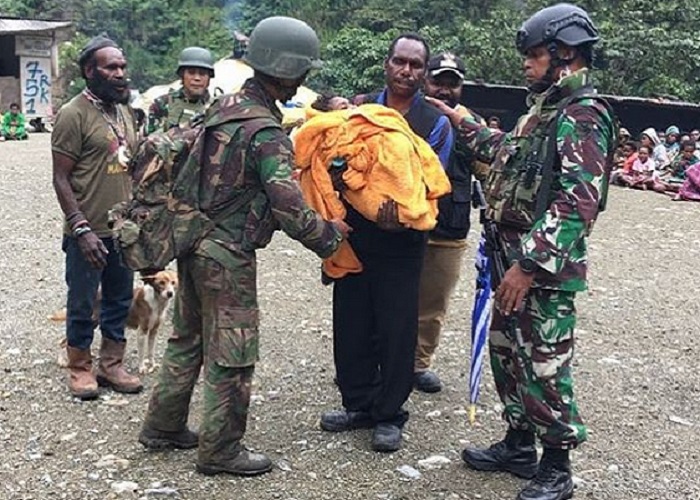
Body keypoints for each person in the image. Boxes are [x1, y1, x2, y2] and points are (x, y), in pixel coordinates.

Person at [137, 16, 350, 477]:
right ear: (288, 69)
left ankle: (162, 425)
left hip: (191, 244)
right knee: (233, 351)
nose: (306, 78)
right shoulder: (266, 133)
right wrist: (331, 235)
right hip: (227, 255)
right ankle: (220, 450)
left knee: (186, 338)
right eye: (304, 70)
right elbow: (291, 209)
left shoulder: (223, 107)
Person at [428, 4, 615, 499]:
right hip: (509, 262)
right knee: (508, 355)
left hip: (540, 273)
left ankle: (556, 466)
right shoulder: (542, 111)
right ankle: (518, 443)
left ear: (565, 54)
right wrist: (460, 120)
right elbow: (505, 152)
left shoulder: (583, 114)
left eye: (534, 55)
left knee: (545, 364)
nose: (526, 64)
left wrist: (529, 265)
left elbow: (579, 200)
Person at [320, 33, 453, 452]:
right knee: (352, 322)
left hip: (404, 241)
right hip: (355, 234)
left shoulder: (435, 123)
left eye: (415, 65)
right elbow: (330, 156)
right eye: (400, 61)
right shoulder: (358, 112)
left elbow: (432, 181)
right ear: (387, 63)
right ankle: (359, 403)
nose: (406, 71)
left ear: (424, 73)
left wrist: (402, 213)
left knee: (397, 327)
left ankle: (390, 414)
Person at [51, 35, 142, 400]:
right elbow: (60, 178)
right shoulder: (73, 114)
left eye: (122, 66)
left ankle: (112, 363)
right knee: (83, 301)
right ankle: (79, 367)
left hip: (123, 230)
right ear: (90, 71)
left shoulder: (124, 111)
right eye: (111, 67)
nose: (120, 74)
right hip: (87, 231)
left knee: (119, 299)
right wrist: (81, 228)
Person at [413, 52, 474, 393]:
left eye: (453, 84)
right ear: (425, 80)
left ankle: (418, 364)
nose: (445, 90)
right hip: (405, 224)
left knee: (433, 305)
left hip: (449, 227)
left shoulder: (471, 124)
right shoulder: (408, 113)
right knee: (390, 296)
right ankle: (376, 361)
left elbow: (490, 169)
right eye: (439, 81)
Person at [146, 46, 215, 134]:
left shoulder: (216, 108)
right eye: (191, 72)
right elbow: (148, 142)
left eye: (202, 74)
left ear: (209, 77)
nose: (197, 78)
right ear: (182, 75)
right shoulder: (162, 104)